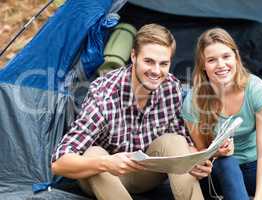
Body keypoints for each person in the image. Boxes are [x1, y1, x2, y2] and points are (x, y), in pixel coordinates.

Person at [51, 23, 212, 200]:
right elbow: (59, 163)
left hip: (146, 174)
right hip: (105, 177)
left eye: (164, 63)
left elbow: (179, 145)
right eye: (149, 61)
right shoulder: (104, 94)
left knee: (175, 141)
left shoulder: (171, 87)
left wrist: (195, 161)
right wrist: (106, 163)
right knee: (94, 153)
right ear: (133, 56)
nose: (156, 71)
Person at [181, 27, 262, 200]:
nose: (221, 65)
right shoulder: (193, 101)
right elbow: (202, 152)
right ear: (203, 66)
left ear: (236, 57)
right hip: (218, 169)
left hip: (252, 166)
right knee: (227, 162)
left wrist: (259, 197)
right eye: (212, 60)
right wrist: (217, 152)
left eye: (226, 56)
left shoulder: (257, 90)